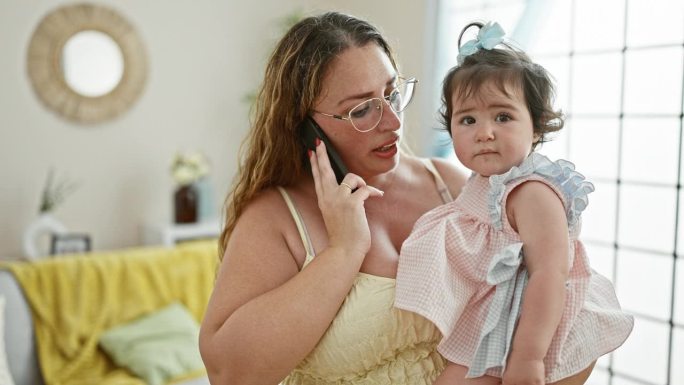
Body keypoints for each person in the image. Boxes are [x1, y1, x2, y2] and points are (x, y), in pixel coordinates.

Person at [198, 11, 468, 384]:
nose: (392, 121)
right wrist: (343, 251)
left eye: (391, 93)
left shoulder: (449, 183)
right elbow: (229, 373)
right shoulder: (276, 218)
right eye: (361, 109)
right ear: (307, 127)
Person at [394, 21, 634, 385]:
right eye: (468, 119)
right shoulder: (481, 185)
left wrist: (529, 357)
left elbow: (551, 273)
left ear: (536, 127)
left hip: (532, 327)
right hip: (495, 321)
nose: (484, 132)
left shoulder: (531, 190)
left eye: (503, 117)